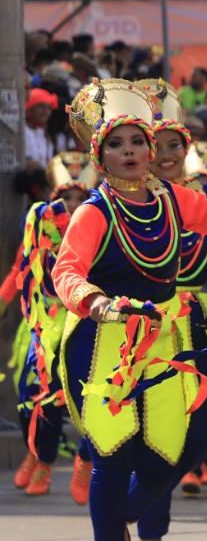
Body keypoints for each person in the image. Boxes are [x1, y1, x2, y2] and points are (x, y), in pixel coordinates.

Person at [52, 79, 207, 541]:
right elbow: (67, 272)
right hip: (103, 346)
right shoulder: (93, 212)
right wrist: (98, 303)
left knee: (181, 444)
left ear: (151, 147)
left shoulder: (172, 198)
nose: (131, 153)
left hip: (164, 338)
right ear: (100, 155)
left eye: (138, 142)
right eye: (116, 144)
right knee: (113, 452)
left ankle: (114, 521)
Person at [7, 152, 99, 499]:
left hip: (90, 321)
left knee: (92, 397)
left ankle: (85, 461)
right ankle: (41, 457)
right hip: (46, 327)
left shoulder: (102, 222)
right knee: (34, 393)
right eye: (65, 198)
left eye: (80, 198)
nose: (73, 205)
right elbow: (20, 272)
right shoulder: (40, 227)